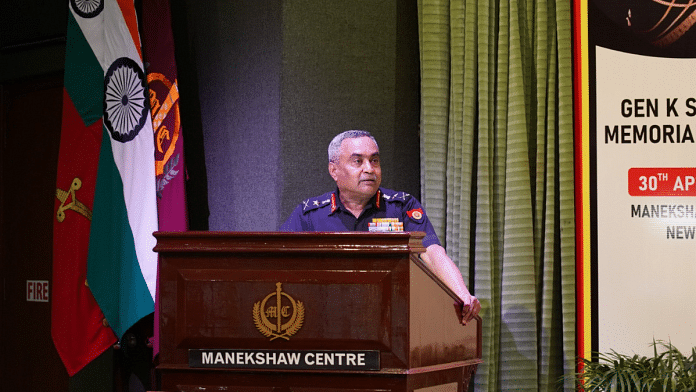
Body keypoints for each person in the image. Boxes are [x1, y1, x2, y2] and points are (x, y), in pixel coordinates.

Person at [280, 130, 481, 325]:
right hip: (327, 319)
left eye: (374, 160)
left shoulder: (402, 206)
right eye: (358, 161)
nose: (369, 169)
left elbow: (432, 252)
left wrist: (461, 293)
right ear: (334, 170)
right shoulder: (310, 214)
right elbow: (278, 262)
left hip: (391, 319)